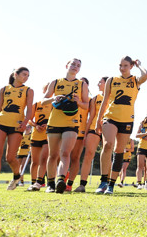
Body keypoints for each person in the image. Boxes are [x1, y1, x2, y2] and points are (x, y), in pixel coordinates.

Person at [95, 57, 147, 195]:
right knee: (108, 145)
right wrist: (98, 121)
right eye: (120, 65)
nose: (122, 68)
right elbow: (105, 100)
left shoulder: (135, 80)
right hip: (110, 117)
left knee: (119, 150)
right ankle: (103, 181)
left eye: (125, 65)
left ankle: (111, 184)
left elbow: (146, 75)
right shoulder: (111, 80)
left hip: (127, 120)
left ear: (131, 66)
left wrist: (139, 66)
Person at [43, 58, 89, 193]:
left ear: (79, 69)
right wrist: (53, 98)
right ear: (67, 66)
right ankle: (50, 184)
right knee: (52, 155)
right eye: (73, 64)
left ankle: (60, 181)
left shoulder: (82, 85)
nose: (75, 67)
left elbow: (86, 106)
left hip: (72, 122)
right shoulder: (55, 82)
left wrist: (78, 102)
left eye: (78, 65)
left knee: (65, 153)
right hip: (54, 121)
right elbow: (43, 101)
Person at [0, 67, 34, 191]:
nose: (26, 77)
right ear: (15, 75)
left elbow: (29, 110)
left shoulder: (28, 90)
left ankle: (17, 176)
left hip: (16, 125)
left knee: (10, 158)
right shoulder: (4, 89)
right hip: (0, 123)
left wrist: (24, 123)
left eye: (28, 75)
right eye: (24, 74)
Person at [75, 76, 107, 193]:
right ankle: (82, 184)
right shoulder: (95, 98)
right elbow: (91, 116)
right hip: (94, 128)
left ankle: (105, 182)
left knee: (106, 154)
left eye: (100, 82)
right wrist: (85, 133)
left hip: (108, 128)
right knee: (88, 154)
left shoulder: (113, 98)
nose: (98, 83)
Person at [65, 77, 91, 192]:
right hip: (67, 128)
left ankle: (69, 184)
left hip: (80, 131)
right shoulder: (69, 97)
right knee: (64, 155)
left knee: (75, 157)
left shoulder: (89, 100)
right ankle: (61, 179)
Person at [27, 84, 53, 191]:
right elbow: (29, 119)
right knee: (34, 161)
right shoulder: (37, 104)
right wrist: (36, 125)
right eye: (46, 89)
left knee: (44, 159)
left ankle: (39, 182)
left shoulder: (54, 105)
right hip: (36, 135)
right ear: (44, 91)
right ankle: (32, 182)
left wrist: (48, 125)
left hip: (48, 135)